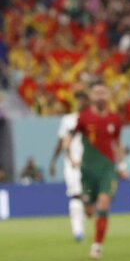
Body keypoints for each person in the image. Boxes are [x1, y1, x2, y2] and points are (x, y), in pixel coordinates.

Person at [66, 84, 127, 260]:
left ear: (108, 96)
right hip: (88, 170)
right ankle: (86, 214)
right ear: (91, 97)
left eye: (103, 93)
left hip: (107, 169)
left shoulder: (115, 119)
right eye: (97, 93)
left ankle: (97, 246)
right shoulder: (84, 118)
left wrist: (121, 166)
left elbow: (117, 143)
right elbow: (70, 137)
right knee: (90, 210)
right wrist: (70, 155)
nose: (100, 96)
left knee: (104, 203)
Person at [49, 94, 86, 242]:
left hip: (88, 164)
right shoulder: (68, 120)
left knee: (88, 197)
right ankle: (77, 230)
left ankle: (82, 225)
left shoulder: (92, 120)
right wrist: (53, 161)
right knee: (76, 195)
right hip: (72, 164)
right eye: (78, 100)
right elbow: (62, 142)